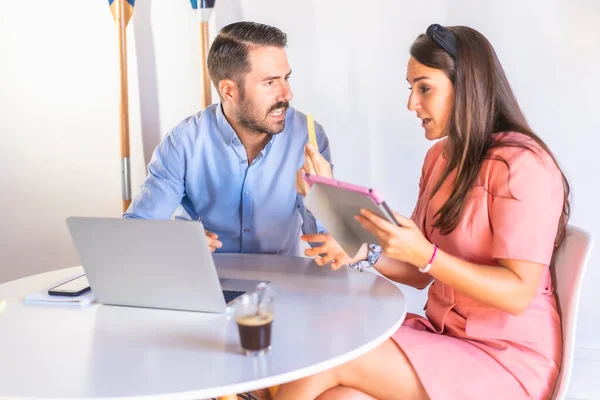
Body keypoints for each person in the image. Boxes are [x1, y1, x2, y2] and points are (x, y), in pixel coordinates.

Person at [275, 23, 570, 400]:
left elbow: (516, 295)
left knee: (330, 353)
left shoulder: (523, 166)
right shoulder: (439, 159)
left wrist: (428, 256)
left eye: (424, 88)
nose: (412, 104)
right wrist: (359, 247)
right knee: (338, 394)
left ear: (468, 86)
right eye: (411, 89)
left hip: (508, 361)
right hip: (447, 340)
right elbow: (416, 271)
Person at [124, 21, 332, 256]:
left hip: (280, 285)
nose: (287, 94)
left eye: (286, 78)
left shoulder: (308, 138)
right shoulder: (183, 142)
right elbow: (136, 229)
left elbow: (326, 248)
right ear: (229, 91)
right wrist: (173, 241)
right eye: (270, 82)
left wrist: (322, 199)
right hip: (204, 280)